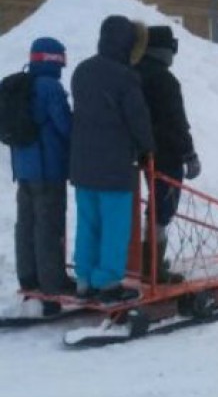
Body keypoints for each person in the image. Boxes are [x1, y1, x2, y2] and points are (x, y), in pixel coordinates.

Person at [70, 16, 155, 302]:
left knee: (88, 223)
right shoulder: (125, 76)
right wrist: (147, 148)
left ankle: (84, 279)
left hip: (82, 163)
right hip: (115, 165)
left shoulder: (82, 70)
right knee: (115, 226)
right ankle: (107, 283)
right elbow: (138, 119)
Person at [9, 38, 74, 314]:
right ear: (55, 60)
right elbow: (65, 126)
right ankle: (52, 287)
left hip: (23, 169)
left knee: (26, 224)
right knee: (49, 227)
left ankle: (29, 278)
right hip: (48, 169)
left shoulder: (19, 85)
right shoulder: (50, 88)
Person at [136, 26, 201, 283]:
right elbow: (176, 121)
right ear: (164, 50)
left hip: (143, 151)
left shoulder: (134, 73)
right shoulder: (164, 79)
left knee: (154, 205)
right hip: (167, 153)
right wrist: (189, 154)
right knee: (163, 207)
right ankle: (152, 268)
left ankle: (148, 261)